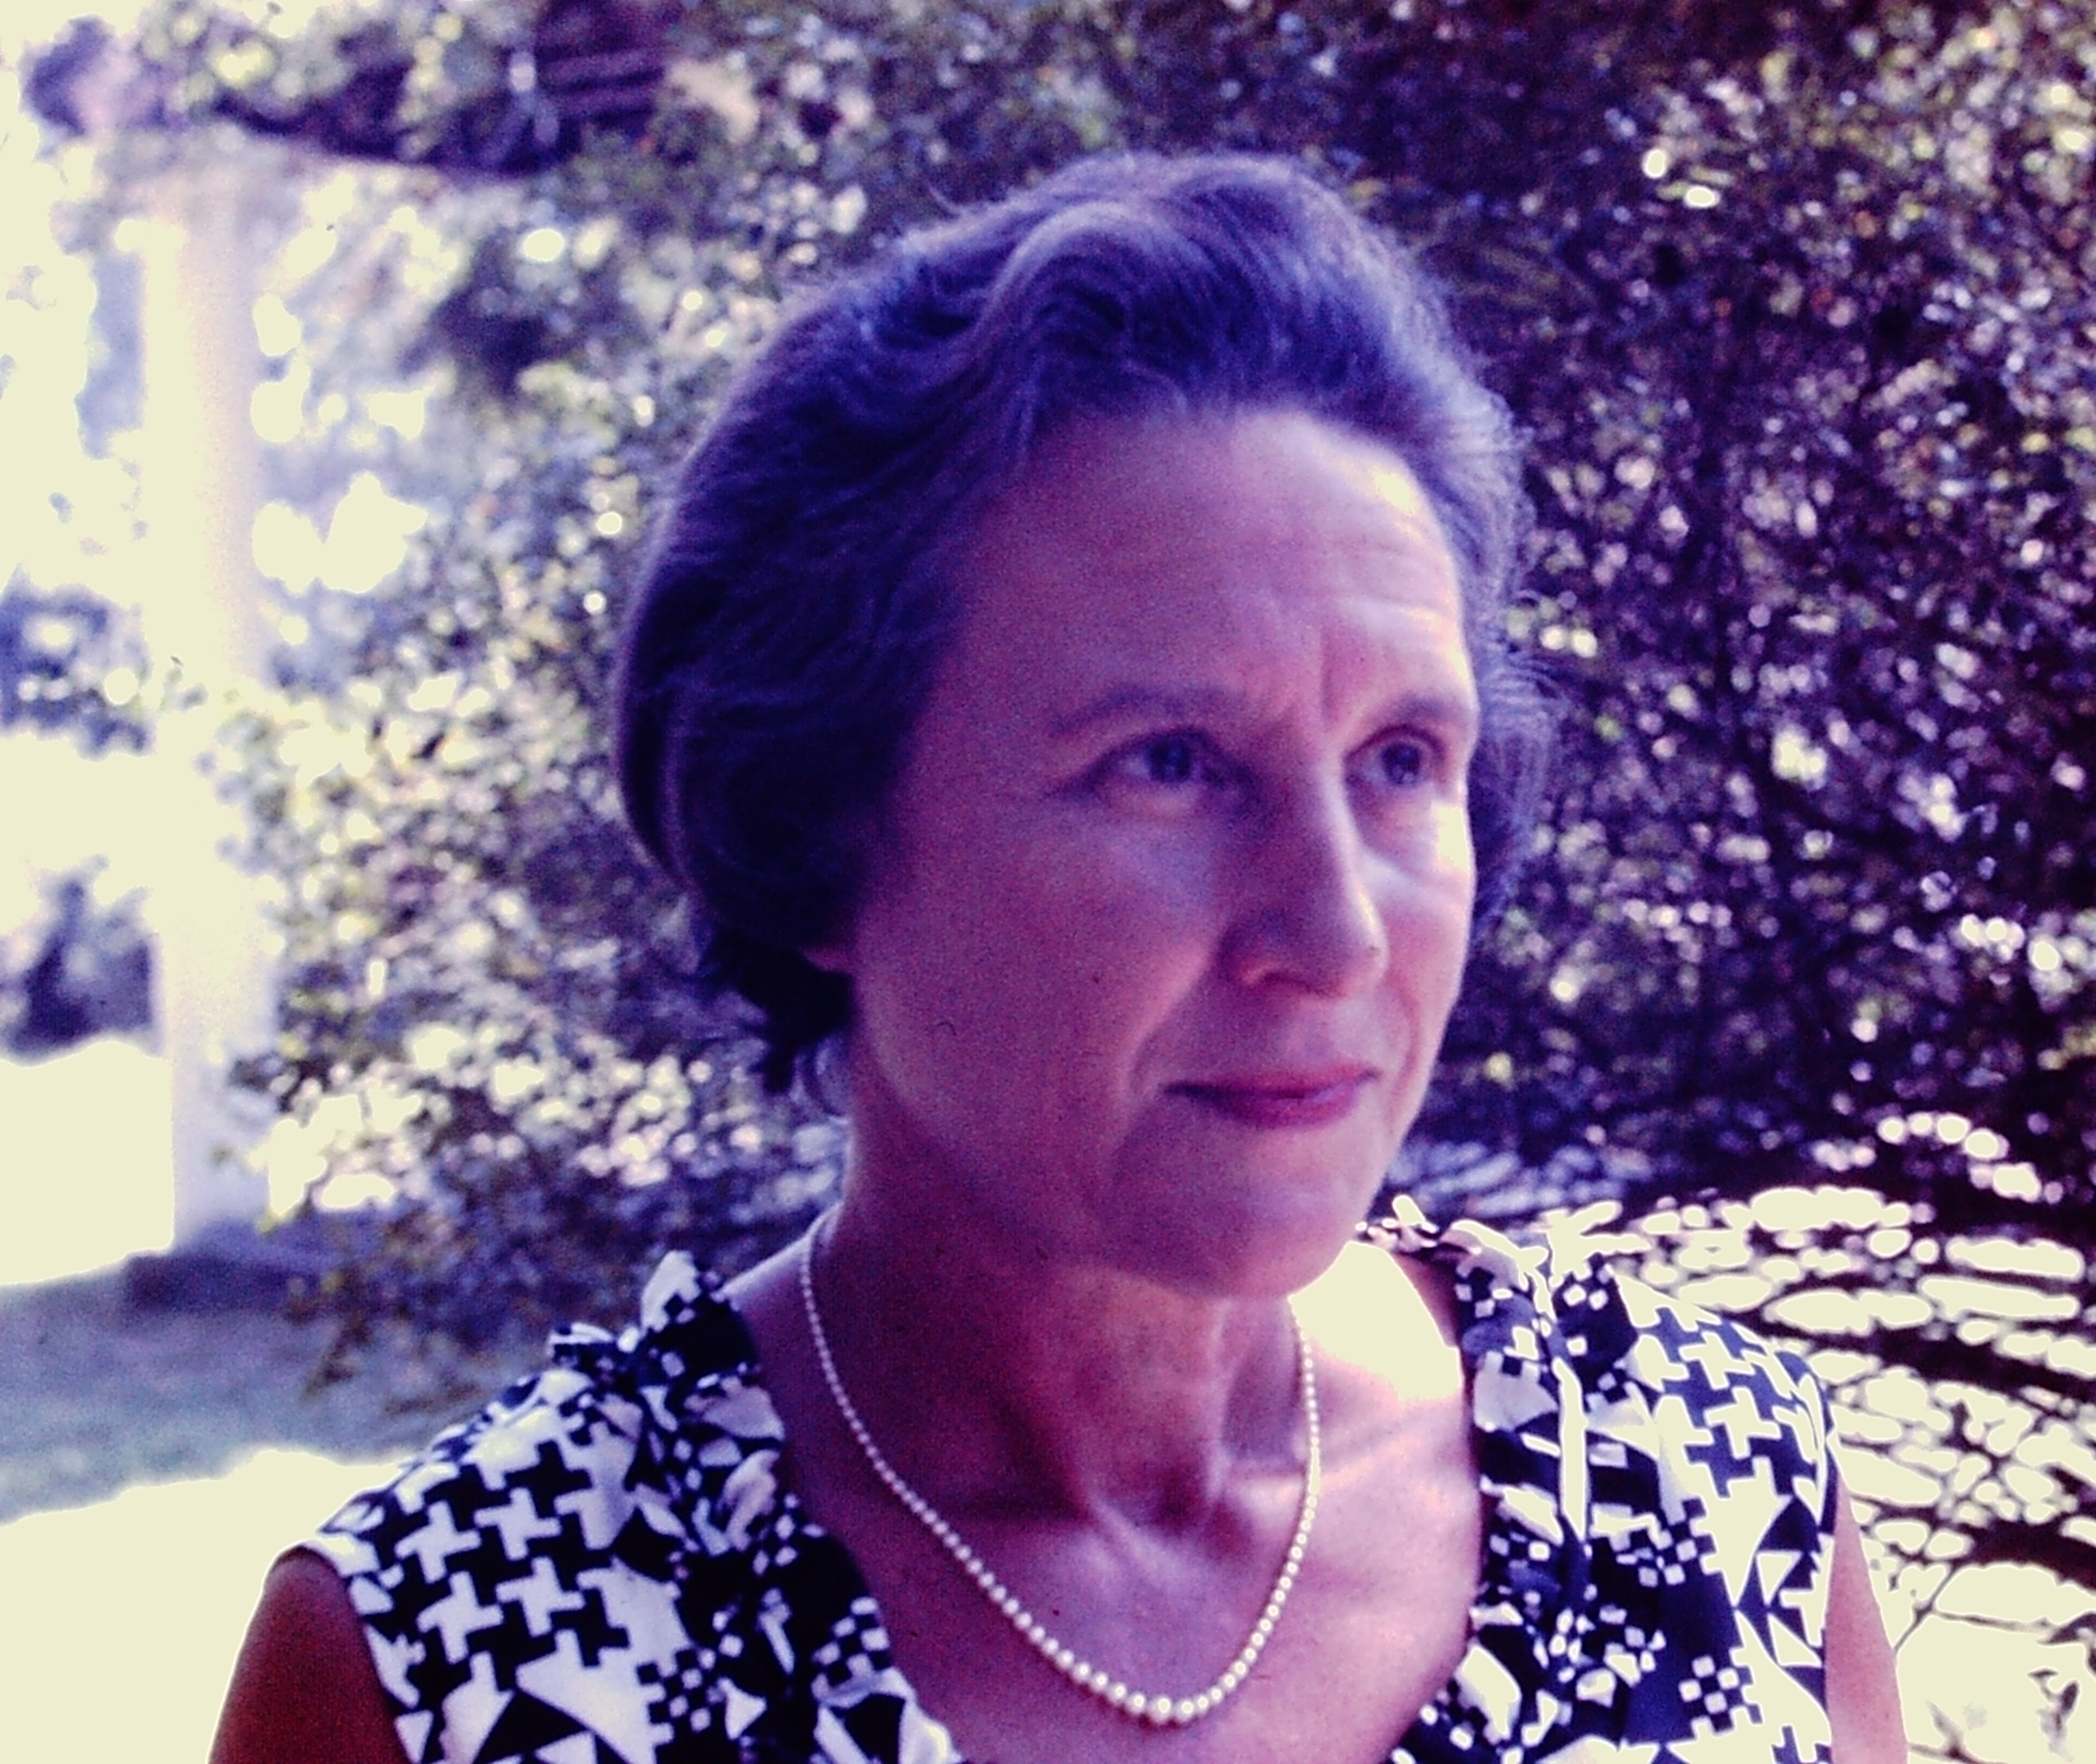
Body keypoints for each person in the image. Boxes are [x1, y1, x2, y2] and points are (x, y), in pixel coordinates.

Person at [214, 151, 1908, 1764]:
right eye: (1170, 764)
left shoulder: (1718, 1485)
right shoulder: (458, 1669)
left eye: (1402, 759)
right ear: (813, 831)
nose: (1335, 933)